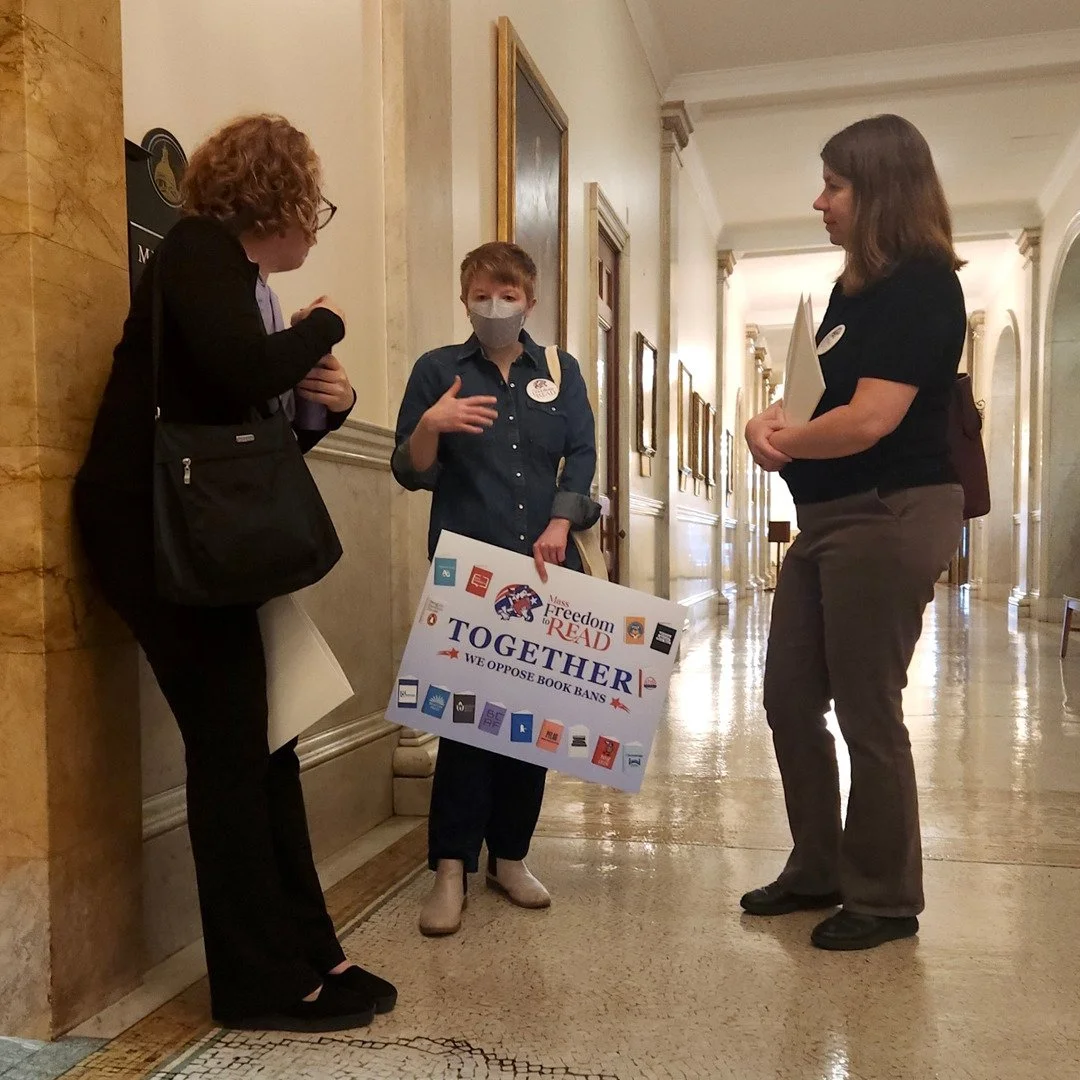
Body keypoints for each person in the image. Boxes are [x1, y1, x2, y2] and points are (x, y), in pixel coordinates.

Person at [75, 114, 395, 1030]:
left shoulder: (232, 278)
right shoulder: (198, 250)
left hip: (197, 535)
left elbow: (249, 424)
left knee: (266, 744)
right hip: (156, 537)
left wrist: (323, 406)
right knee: (232, 754)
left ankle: (312, 954)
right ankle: (259, 984)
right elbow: (232, 370)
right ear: (281, 199)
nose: (318, 222)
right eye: (316, 203)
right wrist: (325, 325)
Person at [740, 114, 966, 951]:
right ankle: (819, 865)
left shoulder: (923, 283)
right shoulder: (850, 294)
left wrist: (784, 440)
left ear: (879, 191)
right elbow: (817, 401)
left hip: (888, 509)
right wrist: (771, 424)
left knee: (869, 711)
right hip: (827, 517)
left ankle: (884, 896)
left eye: (833, 185)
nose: (820, 201)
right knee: (790, 698)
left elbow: (870, 419)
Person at [392, 241, 600, 936]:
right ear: (465, 300)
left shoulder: (560, 372)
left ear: (530, 302)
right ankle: (450, 868)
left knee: (530, 726)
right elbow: (410, 470)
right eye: (482, 294)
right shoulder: (438, 372)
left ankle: (508, 856)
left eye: (508, 295)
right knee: (465, 725)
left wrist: (559, 520)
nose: (495, 306)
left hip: (544, 572)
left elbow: (582, 456)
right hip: (470, 576)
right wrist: (431, 426)